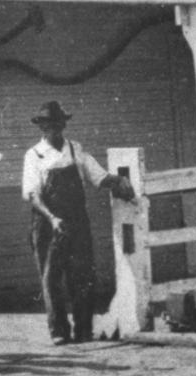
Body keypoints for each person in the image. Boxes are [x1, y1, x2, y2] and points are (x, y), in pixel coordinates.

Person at [20, 99, 136, 345]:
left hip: (77, 221)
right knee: (51, 278)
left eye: (57, 124)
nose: (53, 129)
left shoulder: (75, 149)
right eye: (47, 125)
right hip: (47, 223)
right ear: (41, 127)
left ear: (63, 125)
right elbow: (32, 194)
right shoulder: (34, 155)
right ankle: (59, 331)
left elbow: (99, 177)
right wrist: (53, 219)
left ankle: (83, 330)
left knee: (83, 276)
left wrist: (119, 180)